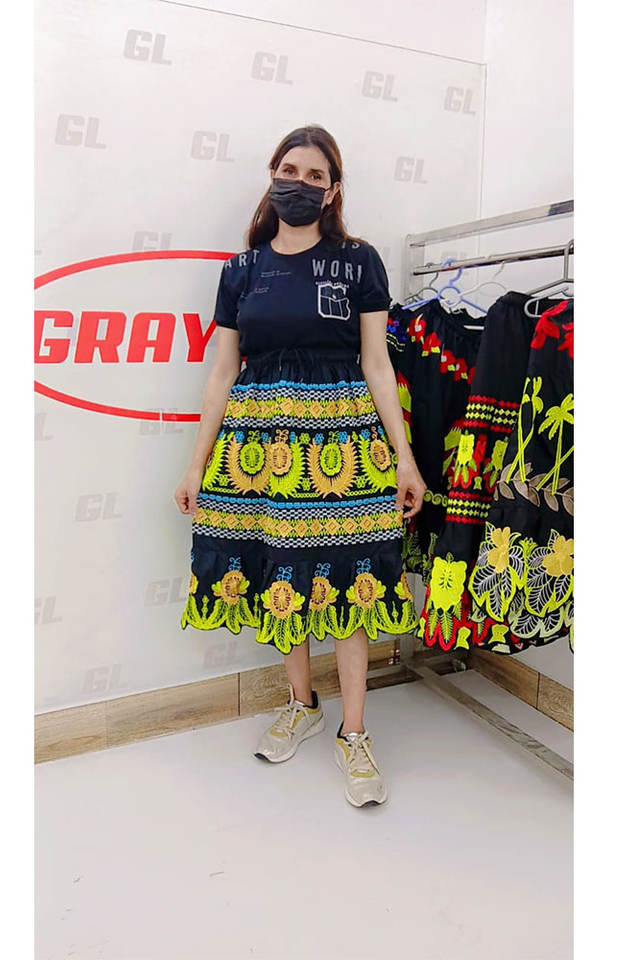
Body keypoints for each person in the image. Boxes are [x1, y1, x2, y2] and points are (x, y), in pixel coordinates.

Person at [173, 124, 425, 808]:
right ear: (272, 173)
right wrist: (197, 466)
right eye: (290, 169)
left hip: (345, 446)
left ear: (333, 190)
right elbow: (222, 372)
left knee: (349, 583)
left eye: (316, 175)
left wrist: (405, 460)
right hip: (262, 450)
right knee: (282, 572)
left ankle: (354, 732)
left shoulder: (358, 261)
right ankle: (301, 703)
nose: (300, 183)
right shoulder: (242, 269)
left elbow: (378, 365)